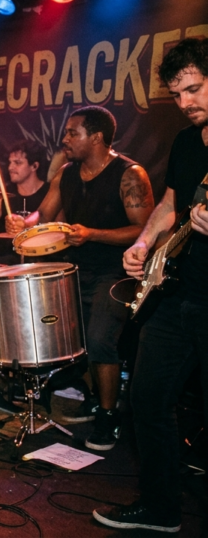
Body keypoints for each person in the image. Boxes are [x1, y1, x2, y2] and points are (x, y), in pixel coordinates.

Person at [92, 37, 208, 533]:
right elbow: (169, 205)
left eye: (194, 89)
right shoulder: (186, 142)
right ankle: (161, 508)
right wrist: (143, 244)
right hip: (177, 292)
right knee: (147, 398)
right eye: (177, 94)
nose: (185, 103)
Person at [6, 106, 154, 451]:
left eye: (73, 133)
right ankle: (91, 398)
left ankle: (108, 416)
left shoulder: (130, 174)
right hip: (74, 269)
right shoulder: (67, 173)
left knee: (101, 341)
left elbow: (144, 230)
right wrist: (23, 224)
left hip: (115, 272)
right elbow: (43, 215)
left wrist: (93, 234)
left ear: (97, 137)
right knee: (73, 340)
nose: (66, 138)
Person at [0, 140, 50, 264]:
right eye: (10, 162)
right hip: (10, 262)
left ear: (34, 166)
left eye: (17, 163)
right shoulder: (3, 192)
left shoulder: (50, 192)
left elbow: (58, 229)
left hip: (42, 260)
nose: (10, 167)